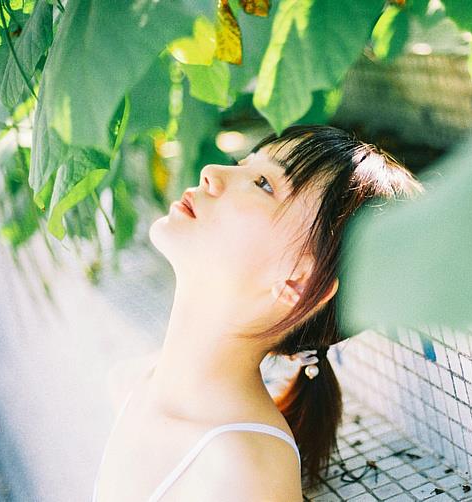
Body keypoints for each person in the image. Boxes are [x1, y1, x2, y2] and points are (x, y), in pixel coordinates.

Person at [91, 125, 425, 501]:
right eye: (242, 164)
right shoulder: (129, 382)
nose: (212, 172)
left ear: (298, 282)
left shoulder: (246, 470)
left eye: (263, 183)